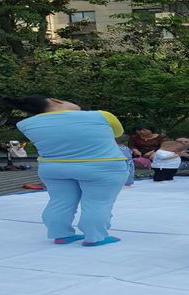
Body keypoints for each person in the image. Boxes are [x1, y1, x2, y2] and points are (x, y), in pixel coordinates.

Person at [8, 95, 129, 247]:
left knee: (60, 202)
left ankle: (61, 235)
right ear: (55, 100)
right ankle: (95, 237)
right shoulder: (101, 116)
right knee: (97, 203)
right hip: (101, 167)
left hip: (54, 168)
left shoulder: (25, 124)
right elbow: (117, 133)